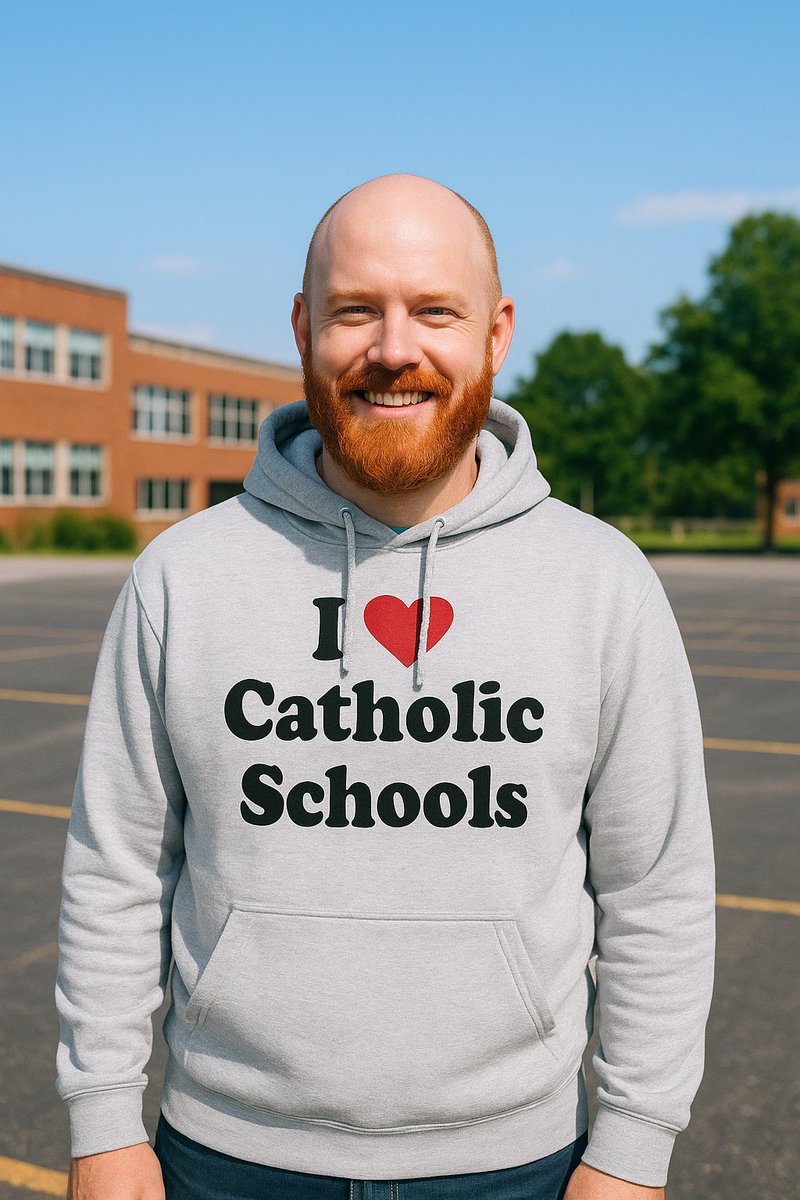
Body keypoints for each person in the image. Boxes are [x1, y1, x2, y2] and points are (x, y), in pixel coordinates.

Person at [56, 173, 716, 1200]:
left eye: (434, 311)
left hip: (513, 1166)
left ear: (495, 333)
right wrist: (103, 1126)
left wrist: (630, 1150)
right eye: (355, 309)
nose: (393, 348)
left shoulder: (602, 585)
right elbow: (115, 870)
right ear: (301, 327)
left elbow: (655, 891)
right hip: (226, 1157)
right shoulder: (183, 579)